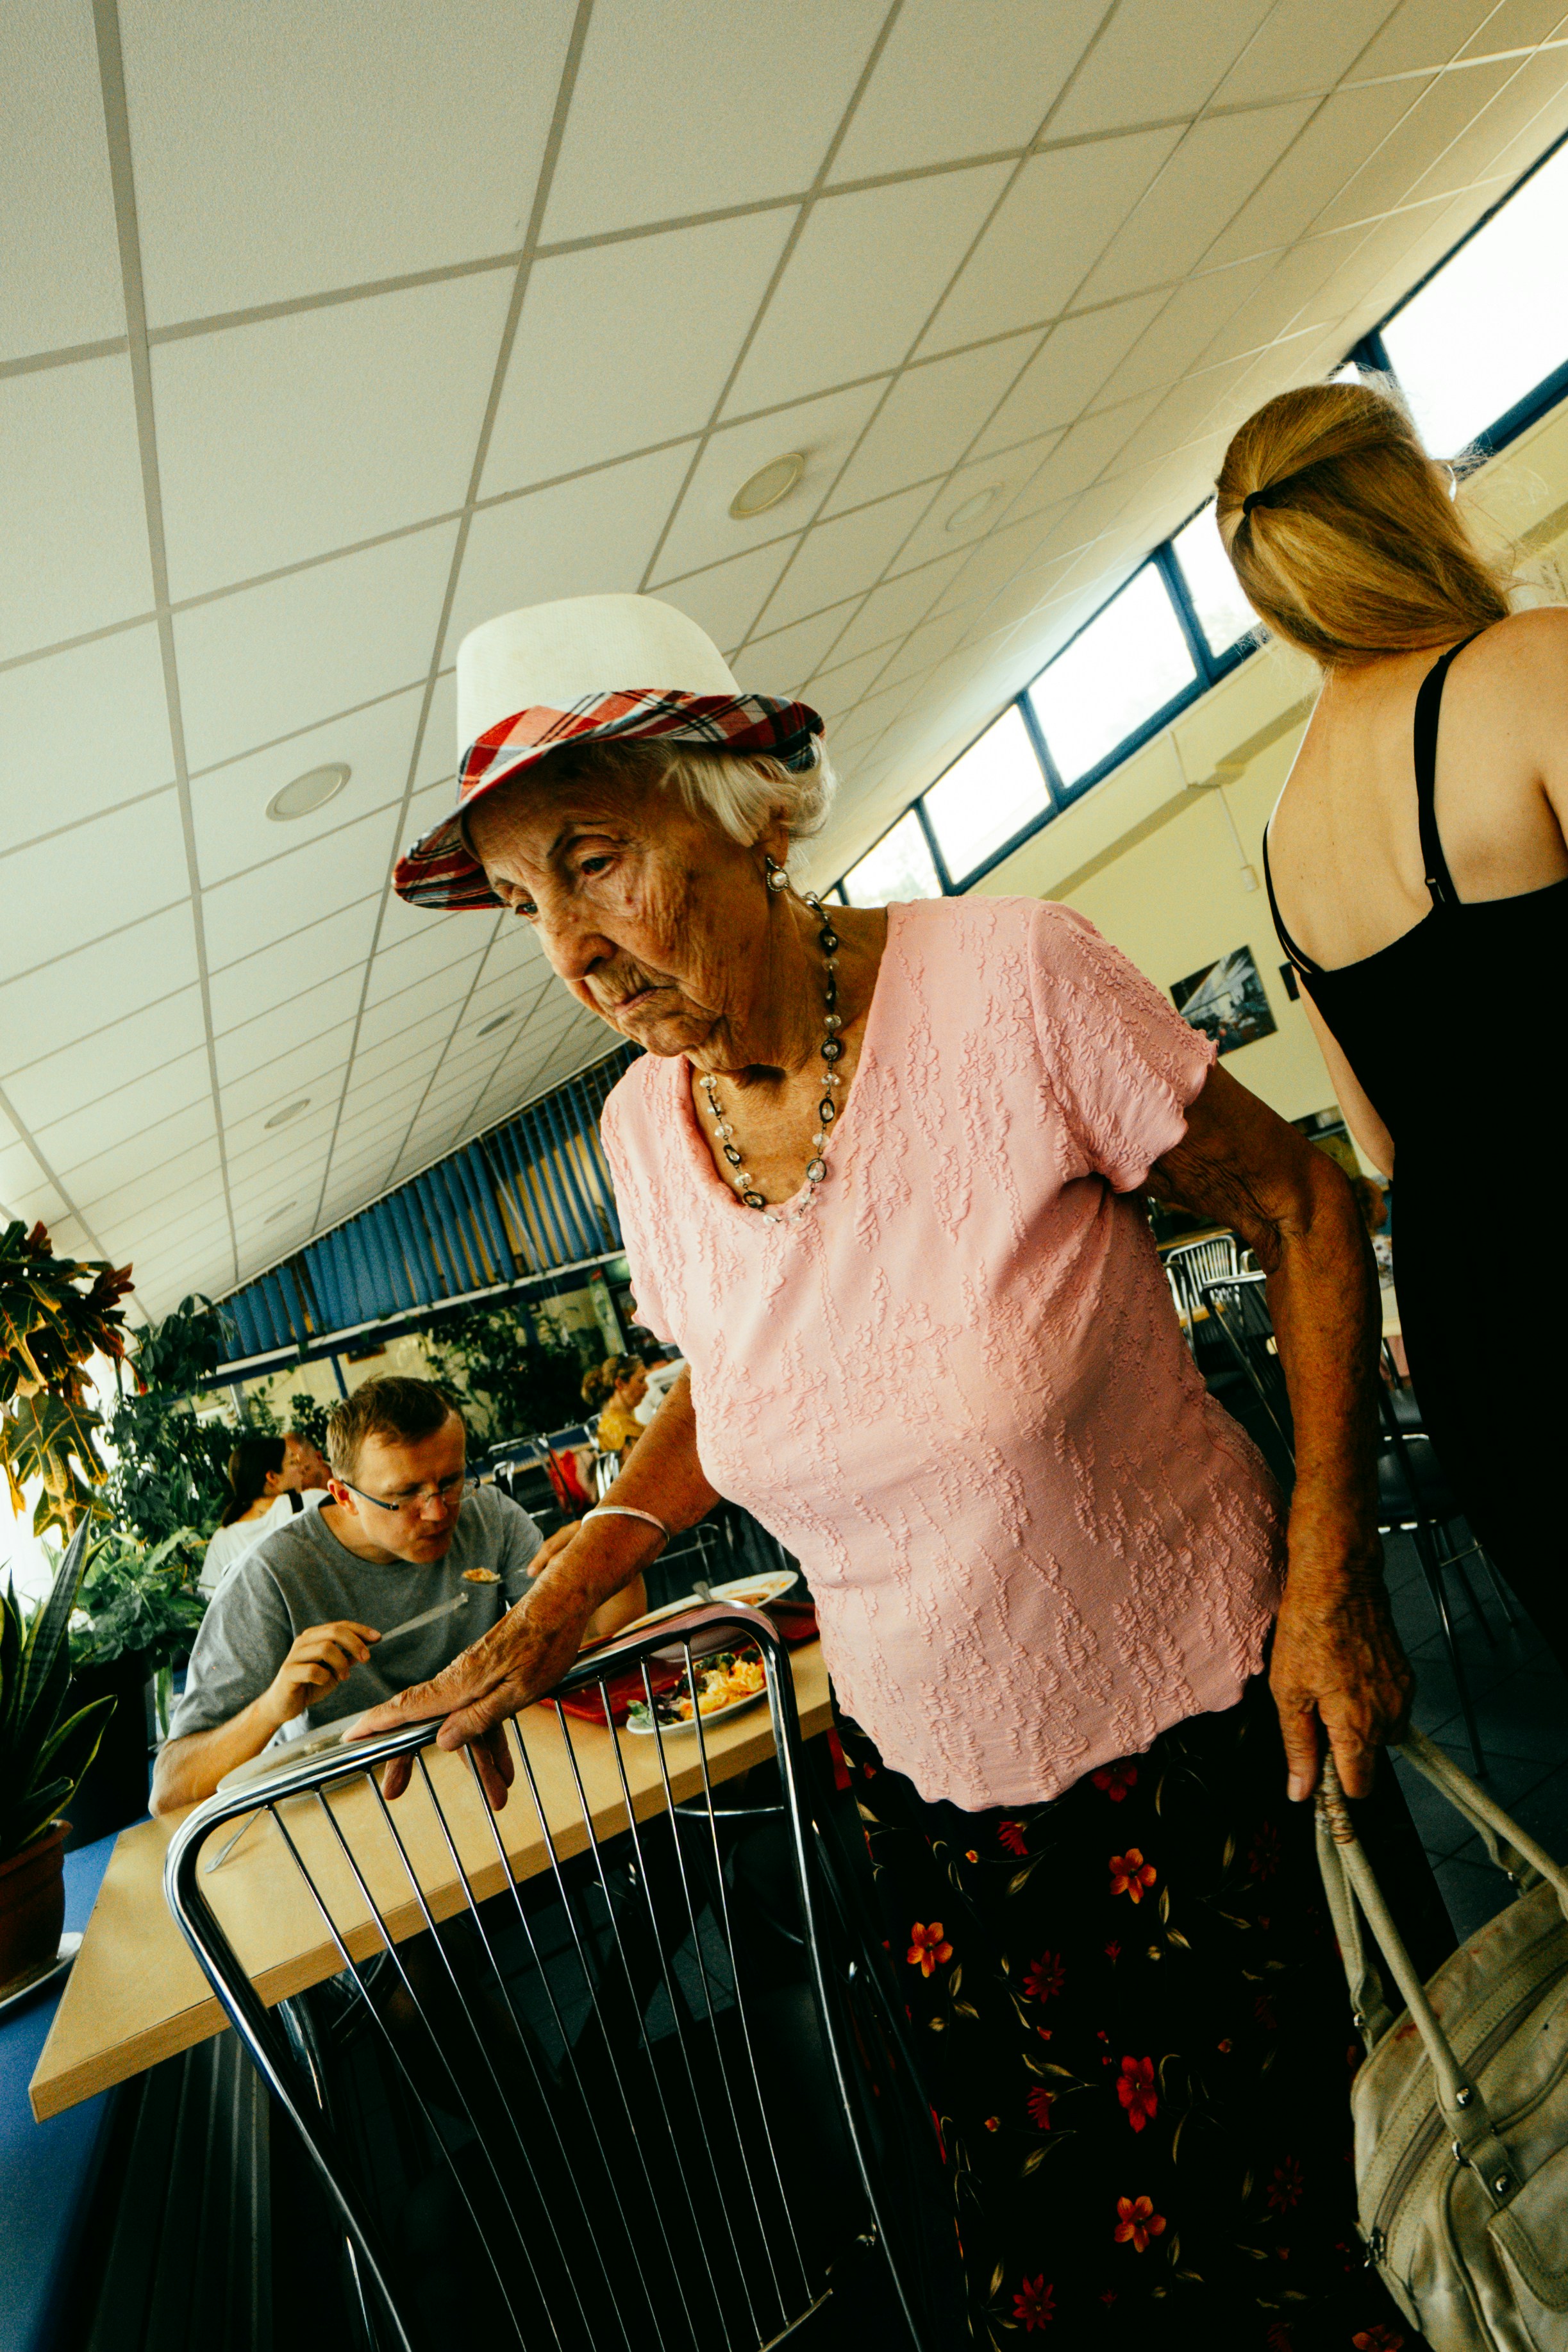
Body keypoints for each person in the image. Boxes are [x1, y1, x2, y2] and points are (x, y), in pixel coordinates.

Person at [361, 591, 1431, 2345]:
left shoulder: (1011, 978)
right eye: (524, 901)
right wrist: (566, 1588)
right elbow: (736, 1372)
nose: (569, 947)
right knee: (1063, 2279)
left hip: (1213, 1735)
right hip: (931, 1799)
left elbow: (1304, 1205)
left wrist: (1329, 1579)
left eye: (594, 859)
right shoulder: (640, 1131)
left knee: (1317, 2240)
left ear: (737, 806)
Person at [1219, 378, 1568, 1667]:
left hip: (1477, 1321)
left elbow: (1376, 1139)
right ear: (1415, 498)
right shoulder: (1528, 665)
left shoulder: (1278, 833)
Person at [153, 1376, 644, 1814]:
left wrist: (607, 1559)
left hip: (495, 1777)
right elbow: (170, 1787)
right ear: (343, 1495)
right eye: (405, 1494)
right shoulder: (270, 1578)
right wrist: (272, 1708)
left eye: (450, 1481)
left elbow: (607, 1634)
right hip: (356, 1812)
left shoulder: (485, 1513)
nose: (437, 1511)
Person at [199, 1429, 327, 1594]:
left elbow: (211, 1599)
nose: (301, 1469)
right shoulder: (311, 1503)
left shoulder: (222, 1540)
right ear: (272, 1477)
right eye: (292, 1463)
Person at [582, 1353, 647, 1455]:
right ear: (620, 1384)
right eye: (641, 1381)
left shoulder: (609, 1422)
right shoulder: (622, 1427)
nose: (646, 1387)